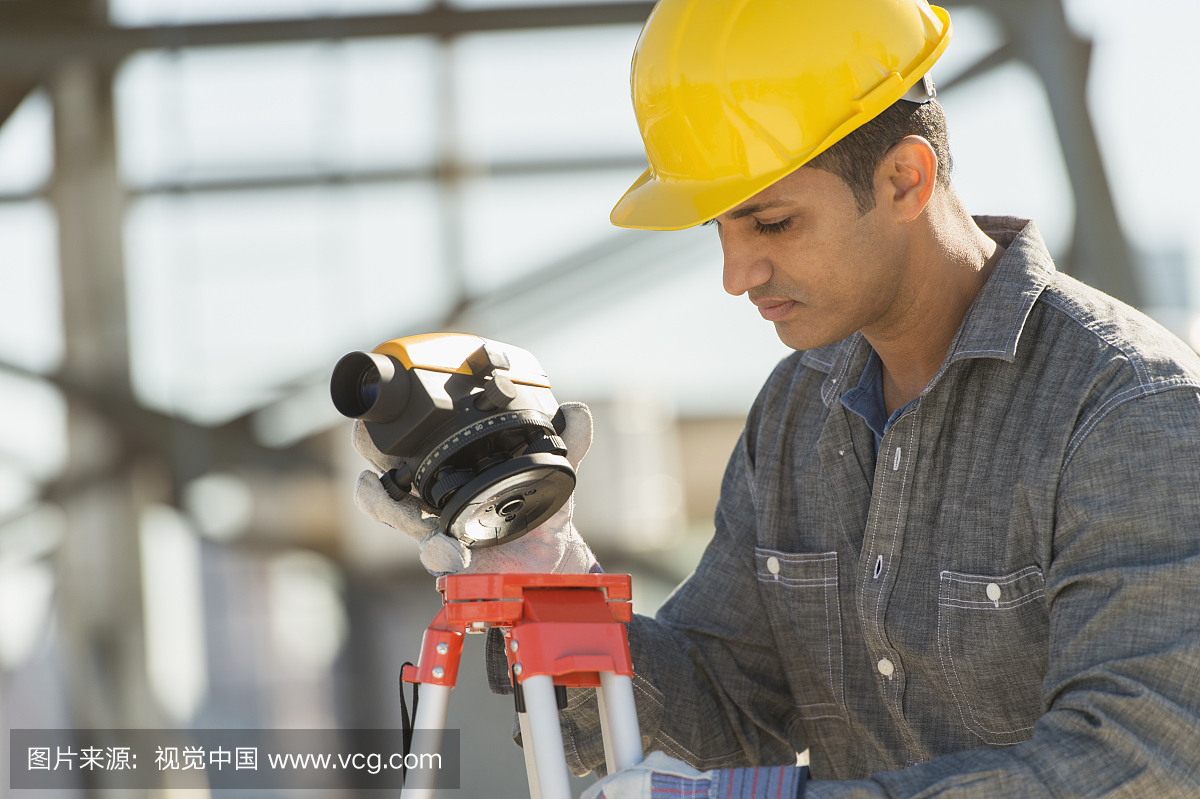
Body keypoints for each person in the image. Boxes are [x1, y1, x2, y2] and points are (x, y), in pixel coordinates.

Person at [353, 0, 1200, 796]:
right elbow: (725, 704)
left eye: (772, 224)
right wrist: (554, 593)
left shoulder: (1127, 408)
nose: (735, 275)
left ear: (906, 179)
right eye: (718, 227)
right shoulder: (797, 412)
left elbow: (1141, 757)